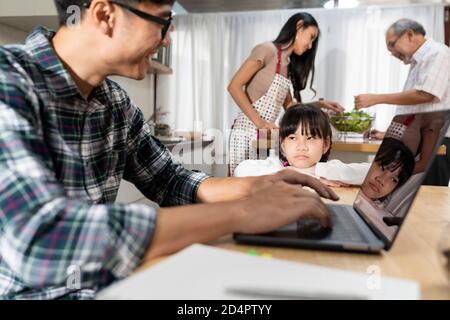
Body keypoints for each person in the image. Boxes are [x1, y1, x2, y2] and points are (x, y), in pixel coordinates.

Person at [0, 0, 339, 299]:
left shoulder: (114, 101)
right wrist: (244, 212)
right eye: (163, 22)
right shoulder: (10, 82)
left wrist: (255, 186)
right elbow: (42, 237)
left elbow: (169, 180)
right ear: (104, 14)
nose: (168, 38)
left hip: (112, 282)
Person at [227, 12, 344, 175]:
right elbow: (234, 86)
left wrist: (319, 105)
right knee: (241, 184)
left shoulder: (287, 66)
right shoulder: (266, 50)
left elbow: (290, 106)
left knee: (260, 186)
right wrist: (260, 123)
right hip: (246, 131)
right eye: (311, 37)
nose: (310, 46)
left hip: (265, 136)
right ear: (299, 26)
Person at [355, 18, 450, 186]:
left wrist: (376, 98)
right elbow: (418, 109)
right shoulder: (419, 61)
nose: (392, 53)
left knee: (426, 198)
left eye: (392, 44)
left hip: (437, 141)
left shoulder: (438, 53)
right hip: (421, 139)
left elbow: (426, 95)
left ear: (409, 34)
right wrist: (392, 133)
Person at [234, 104, 370, 187]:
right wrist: (293, 173)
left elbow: (369, 173)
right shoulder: (276, 166)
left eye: (310, 138)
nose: (301, 147)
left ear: (325, 145)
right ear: (283, 146)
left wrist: (314, 171)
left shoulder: (329, 169)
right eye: (293, 138)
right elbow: (240, 170)